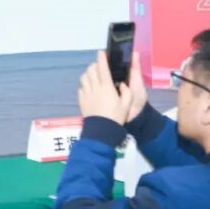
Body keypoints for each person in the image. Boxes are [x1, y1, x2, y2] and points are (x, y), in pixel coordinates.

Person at [55, 30, 210, 208]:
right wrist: (142, 119)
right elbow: (196, 166)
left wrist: (98, 132)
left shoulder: (174, 195)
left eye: (181, 81)